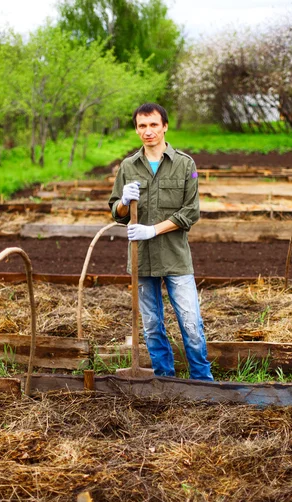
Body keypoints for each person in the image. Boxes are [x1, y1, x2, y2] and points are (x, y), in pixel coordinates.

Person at [109, 102, 213, 381]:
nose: (148, 131)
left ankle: (203, 381)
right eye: (142, 126)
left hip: (176, 257)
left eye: (153, 124)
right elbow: (116, 213)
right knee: (153, 325)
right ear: (136, 130)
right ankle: (164, 379)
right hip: (141, 258)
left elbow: (191, 211)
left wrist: (153, 230)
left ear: (165, 126)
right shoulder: (128, 167)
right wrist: (124, 201)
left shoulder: (185, 164)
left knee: (191, 323)